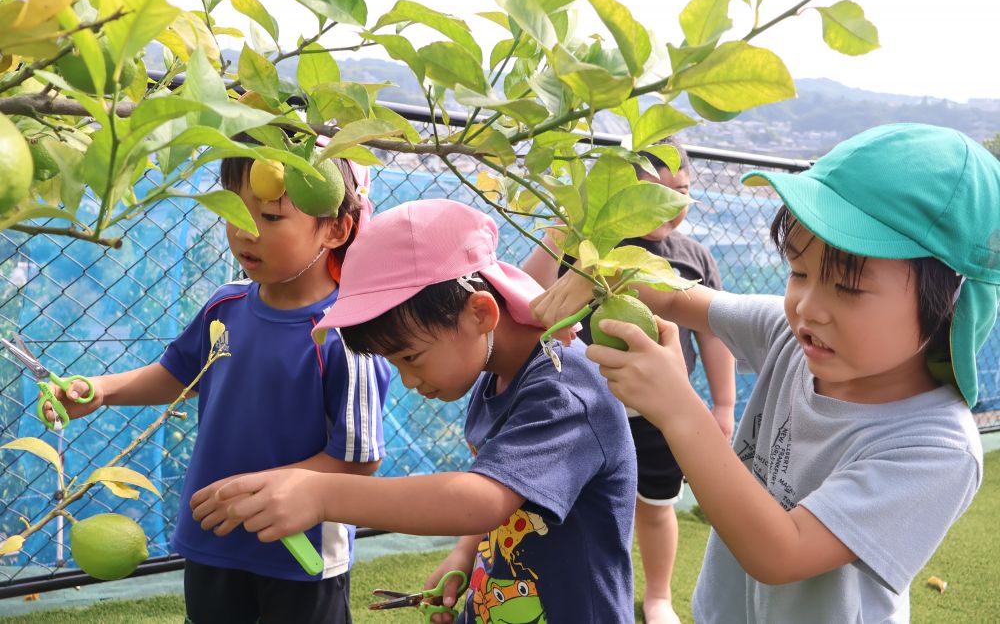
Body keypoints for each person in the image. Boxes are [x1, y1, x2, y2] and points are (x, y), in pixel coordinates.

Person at [530, 123, 998, 622]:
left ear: (950, 303)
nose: (807, 307)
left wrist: (679, 408)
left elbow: (783, 553)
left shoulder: (934, 447)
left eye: (849, 286)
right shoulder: (788, 334)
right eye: (799, 272)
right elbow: (674, 295)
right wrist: (601, 278)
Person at [192, 199, 638, 623]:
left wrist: (321, 495)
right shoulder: (498, 375)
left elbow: (482, 499)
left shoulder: (566, 390)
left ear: (480, 313)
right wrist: (467, 554)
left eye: (410, 357)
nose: (407, 380)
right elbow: (506, 487)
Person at [43, 152, 391, 624]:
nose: (245, 232)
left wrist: (269, 492)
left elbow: (358, 457)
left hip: (301, 553)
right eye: (235, 211)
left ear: (336, 229)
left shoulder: (348, 336)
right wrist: (104, 389)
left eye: (270, 217)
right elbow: (178, 374)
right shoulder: (224, 305)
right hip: (214, 536)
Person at [521, 138, 736, 624]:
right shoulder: (588, 249)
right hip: (586, 410)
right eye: (651, 192)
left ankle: (658, 594)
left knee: (658, 506)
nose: (669, 205)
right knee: (574, 506)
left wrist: (723, 404)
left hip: (657, 412)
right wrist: (561, 234)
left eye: (679, 192)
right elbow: (529, 293)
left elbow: (714, 337)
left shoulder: (694, 257)